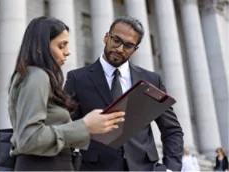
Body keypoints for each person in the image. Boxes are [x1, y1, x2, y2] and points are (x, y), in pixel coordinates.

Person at [64, 15, 184, 171]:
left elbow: (172, 130)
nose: (119, 49)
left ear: (135, 49)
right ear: (106, 37)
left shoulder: (151, 80)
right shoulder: (77, 79)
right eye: (116, 40)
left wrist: (171, 169)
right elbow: (66, 128)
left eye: (128, 45)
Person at [8, 16, 125, 171]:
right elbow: (29, 138)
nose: (68, 52)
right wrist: (85, 125)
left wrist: (94, 127)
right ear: (39, 47)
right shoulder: (37, 76)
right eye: (61, 46)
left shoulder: (32, 76)